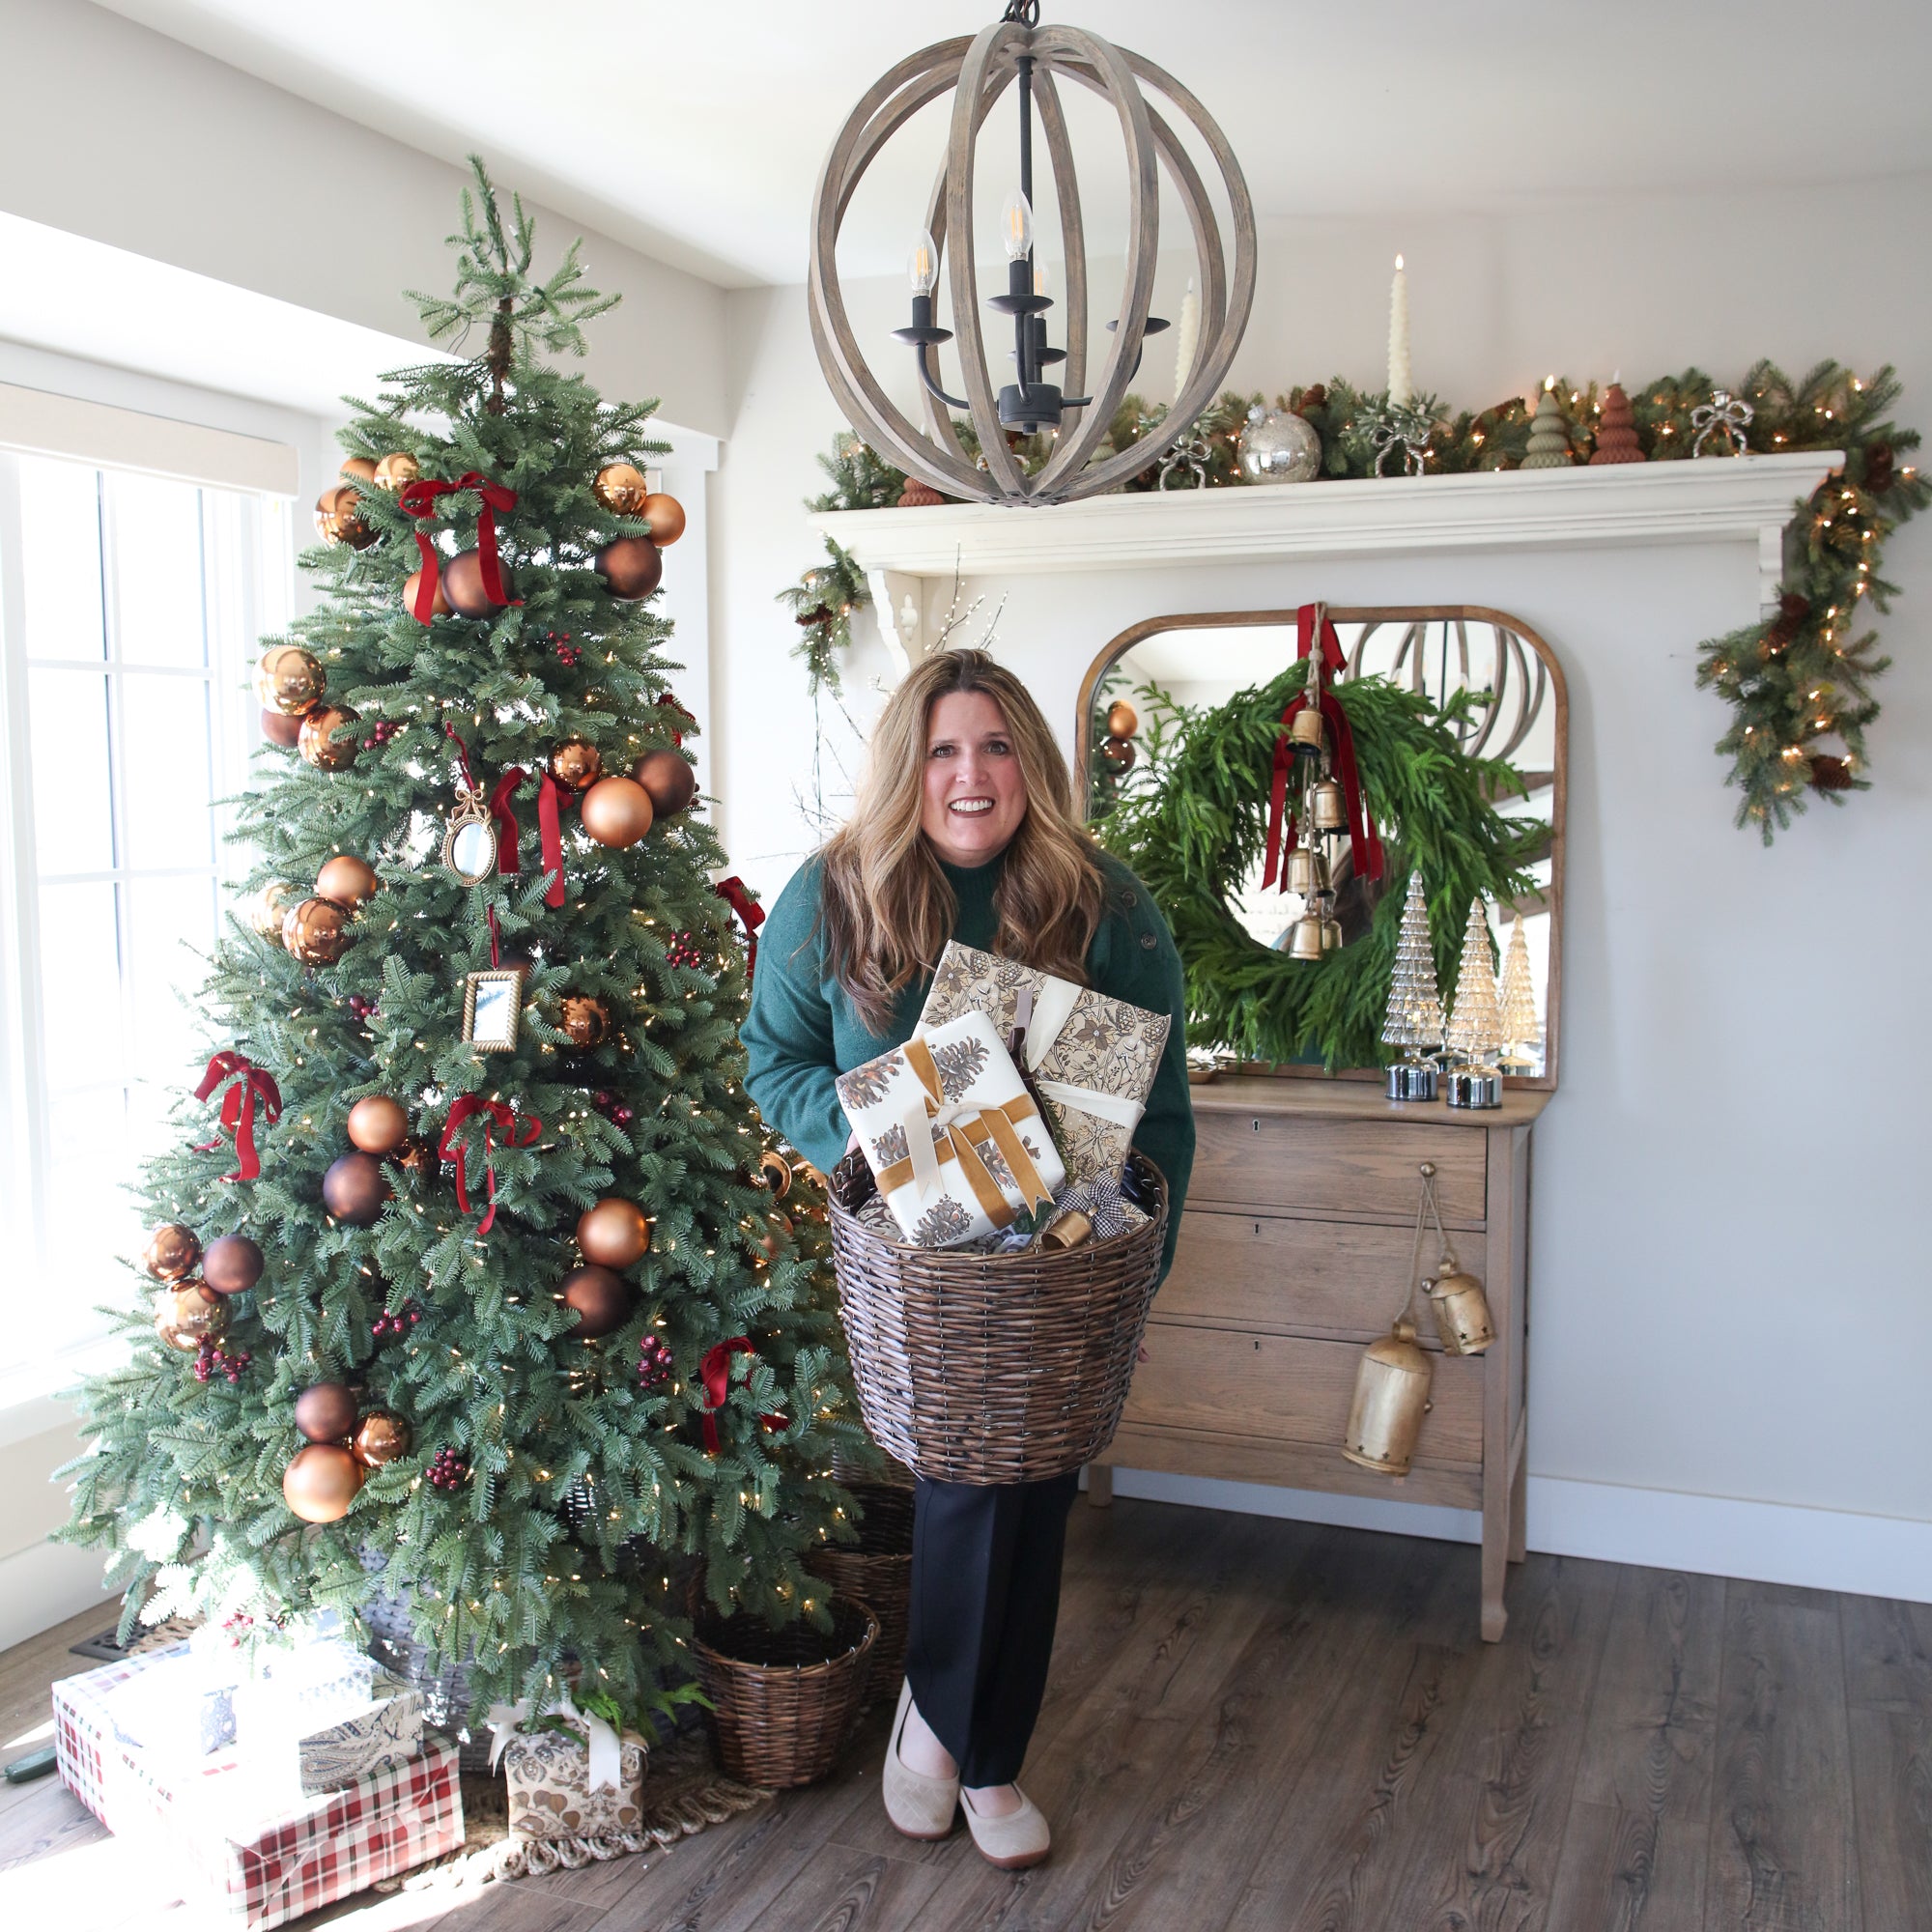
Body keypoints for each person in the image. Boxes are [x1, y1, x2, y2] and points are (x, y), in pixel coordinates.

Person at [742, 648, 1194, 1869]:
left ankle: (972, 1746)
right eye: (943, 748)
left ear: (1029, 764)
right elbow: (772, 1058)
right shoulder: (835, 892)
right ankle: (957, 1736)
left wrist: (1136, 1272)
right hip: (914, 1266)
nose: (970, 772)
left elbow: (1156, 1109)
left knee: (1034, 1488)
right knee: (961, 1481)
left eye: (994, 745)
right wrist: (891, 1141)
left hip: (1061, 1259)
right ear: (909, 766)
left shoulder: (1105, 899)